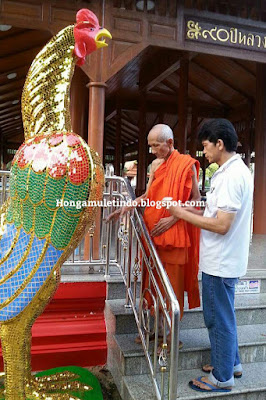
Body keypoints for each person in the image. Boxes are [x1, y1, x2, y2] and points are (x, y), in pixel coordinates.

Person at [166, 119, 253, 393]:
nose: (204, 152)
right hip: (225, 260)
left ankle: (222, 376)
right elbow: (213, 213)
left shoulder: (230, 176)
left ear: (219, 144)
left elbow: (222, 225)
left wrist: (180, 214)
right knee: (225, 315)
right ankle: (231, 363)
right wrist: (189, 209)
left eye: (205, 146)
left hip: (220, 262)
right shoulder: (232, 171)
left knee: (217, 319)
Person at [107, 124, 201, 348]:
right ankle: (155, 331)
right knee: (152, 283)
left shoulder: (187, 166)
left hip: (174, 238)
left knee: (173, 287)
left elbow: (196, 202)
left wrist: (174, 218)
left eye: (155, 146)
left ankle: (171, 336)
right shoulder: (157, 165)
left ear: (169, 143)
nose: (152, 150)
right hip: (152, 236)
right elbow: (149, 196)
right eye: (150, 146)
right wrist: (128, 206)